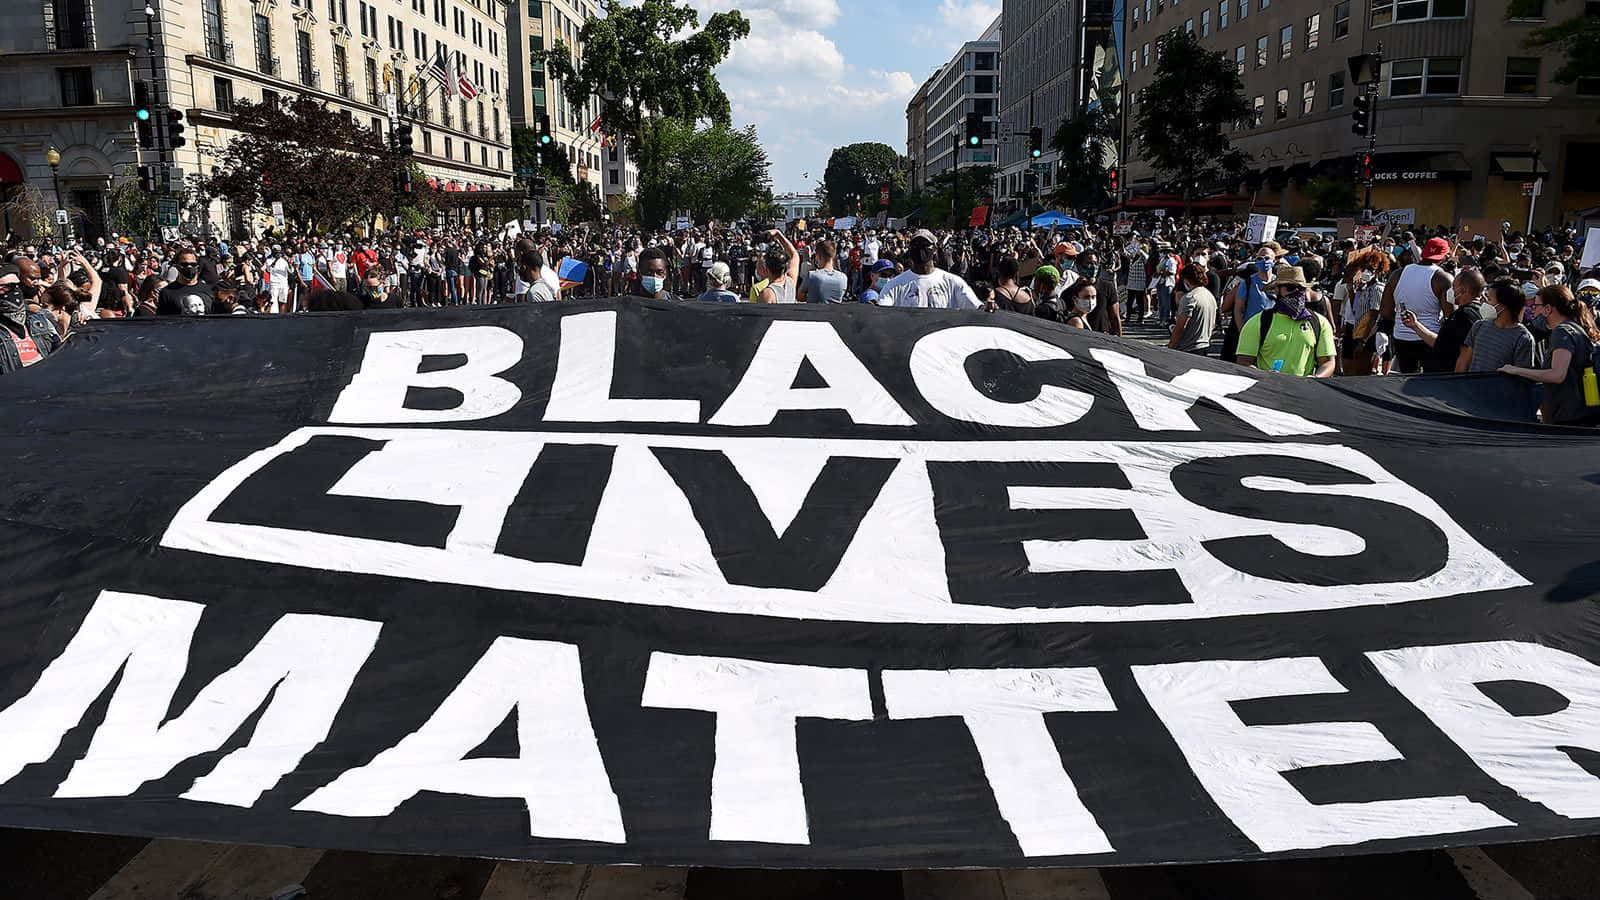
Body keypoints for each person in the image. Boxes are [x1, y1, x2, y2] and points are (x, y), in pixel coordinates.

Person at [1499, 284, 1600, 426]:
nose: (1533, 310)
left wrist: (1516, 370)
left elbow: (1557, 375)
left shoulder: (1562, 332)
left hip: (1569, 416)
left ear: (1548, 309)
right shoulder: (1575, 327)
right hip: (1580, 412)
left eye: (1537, 306)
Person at [1235, 265, 1336, 377]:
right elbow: (1243, 362)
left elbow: (1327, 362)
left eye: (1301, 288)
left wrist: (1316, 378)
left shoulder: (1319, 323)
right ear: (1277, 290)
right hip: (1268, 390)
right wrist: (1264, 375)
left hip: (1303, 391)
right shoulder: (1258, 322)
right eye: (1290, 287)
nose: (1297, 292)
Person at [1383, 237, 1454, 373]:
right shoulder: (1444, 279)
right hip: (1431, 339)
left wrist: (1401, 322)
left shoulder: (1397, 274)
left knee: (1405, 378)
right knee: (1429, 383)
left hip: (1401, 337)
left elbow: (1385, 312)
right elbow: (1450, 316)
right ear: (1444, 257)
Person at [1400, 268, 1487, 373]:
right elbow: (1442, 344)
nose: (1451, 291)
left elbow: (1465, 356)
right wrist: (1415, 325)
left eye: (1454, 287)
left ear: (1463, 290)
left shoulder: (1465, 316)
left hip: (1448, 380)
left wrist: (1456, 382)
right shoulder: (1479, 312)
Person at [877, 229, 980, 309]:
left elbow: (976, 307)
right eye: (915, 245)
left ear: (934, 249)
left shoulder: (953, 283)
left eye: (925, 245)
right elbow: (881, 311)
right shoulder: (894, 285)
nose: (920, 248)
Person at [1457, 280, 1535, 373]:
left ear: (1503, 305)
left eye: (1489, 299)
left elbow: (1522, 375)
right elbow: (1464, 361)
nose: (1484, 302)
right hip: (1471, 386)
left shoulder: (1523, 338)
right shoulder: (1479, 326)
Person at [0, 262, 62, 373]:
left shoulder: (39, 321)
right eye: (6, 287)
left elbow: (61, 353)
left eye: (17, 286)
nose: (14, 292)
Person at [1169, 264, 1217, 355]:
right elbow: (1213, 324)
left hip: (1188, 347)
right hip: (1205, 344)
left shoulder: (1189, 298)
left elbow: (1181, 326)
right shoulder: (1210, 296)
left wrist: (1170, 346)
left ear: (1186, 280)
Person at [157, 249, 213, 316]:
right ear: (177, 266)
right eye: (184, 264)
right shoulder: (166, 293)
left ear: (197, 266)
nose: (189, 267)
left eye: (193, 264)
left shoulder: (209, 290)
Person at [756, 230, 799, 304]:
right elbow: (794, 255)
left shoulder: (767, 294)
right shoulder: (791, 281)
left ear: (766, 269)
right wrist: (778, 234)